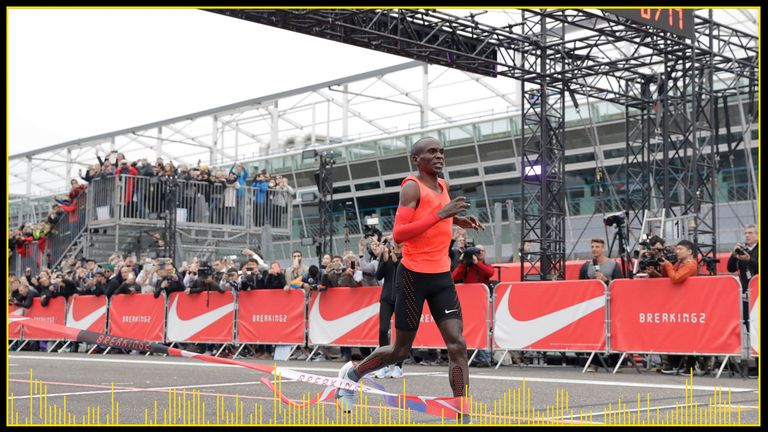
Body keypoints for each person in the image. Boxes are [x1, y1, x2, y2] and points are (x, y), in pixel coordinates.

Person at [335, 137, 484, 422]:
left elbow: (433, 217)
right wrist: (443, 213)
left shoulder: (443, 186)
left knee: (457, 344)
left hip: (441, 276)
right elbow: (400, 233)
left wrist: (457, 221)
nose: (439, 156)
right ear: (416, 159)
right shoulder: (411, 187)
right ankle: (353, 375)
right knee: (400, 350)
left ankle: (462, 415)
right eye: (431, 152)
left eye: (441, 151)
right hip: (413, 276)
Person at [373, 238, 405, 379]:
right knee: (383, 330)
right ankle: (384, 365)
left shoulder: (407, 256)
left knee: (402, 333)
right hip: (386, 298)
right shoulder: (385, 255)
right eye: (394, 241)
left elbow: (404, 274)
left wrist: (396, 261)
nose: (396, 244)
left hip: (402, 298)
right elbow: (379, 275)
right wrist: (385, 260)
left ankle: (398, 366)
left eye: (399, 241)